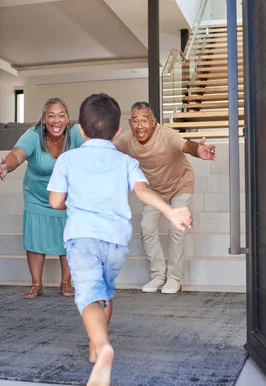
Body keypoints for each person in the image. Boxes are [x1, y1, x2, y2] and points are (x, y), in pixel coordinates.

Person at [47, 93, 192, 386]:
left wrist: (70, 200)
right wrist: (171, 211)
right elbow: (143, 192)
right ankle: (95, 345)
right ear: (117, 132)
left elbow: (55, 201)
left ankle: (103, 347)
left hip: (83, 236)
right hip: (115, 239)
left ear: (81, 129)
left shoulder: (67, 159)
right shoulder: (125, 160)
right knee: (105, 292)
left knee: (88, 295)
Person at [114, 101, 216, 294]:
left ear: (153, 121)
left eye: (145, 120)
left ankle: (174, 278)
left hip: (180, 184)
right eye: (135, 121)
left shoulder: (166, 134)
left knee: (175, 227)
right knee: (146, 227)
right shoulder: (127, 139)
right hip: (155, 190)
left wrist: (198, 150)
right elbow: (109, 151)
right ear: (130, 123)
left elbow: (186, 146)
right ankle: (158, 276)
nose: (140, 125)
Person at [0, 97, 85, 299]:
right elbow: (17, 155)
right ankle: (36, 283)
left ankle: (66, 281)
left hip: (66, 196)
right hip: (37, 194)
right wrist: (5, 166)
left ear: (68, 119)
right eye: (51, 115)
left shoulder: (75, 133)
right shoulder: (33, 135)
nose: (56, 120)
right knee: (35, 236)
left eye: (61, 115)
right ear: (43, 120)